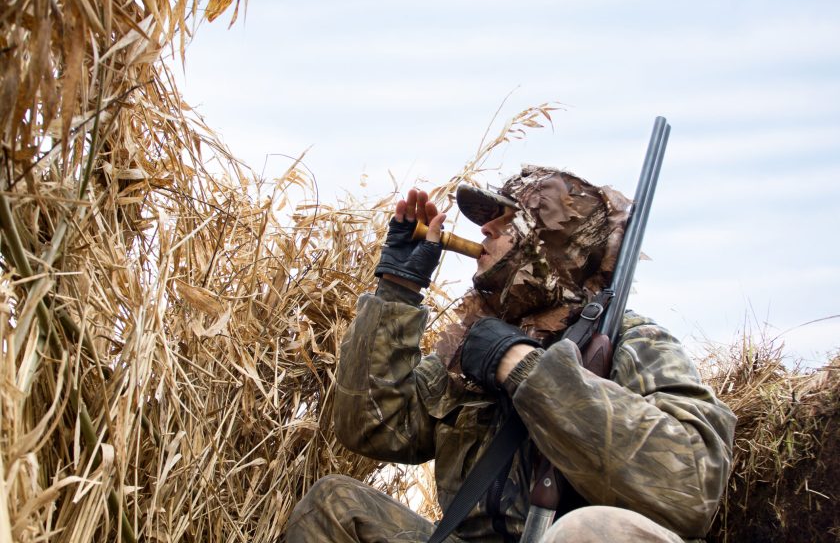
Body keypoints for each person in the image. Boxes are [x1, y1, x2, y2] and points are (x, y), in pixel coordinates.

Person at [286, 166, 736, 543]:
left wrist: (523, 369)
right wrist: (398, 289)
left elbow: (692, 487)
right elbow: (373, 429)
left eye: (505, 220)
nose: (484, 229)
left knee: (591, 530)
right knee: (335, 505)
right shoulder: (471, 345)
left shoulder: (633, 341)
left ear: (547, 241)